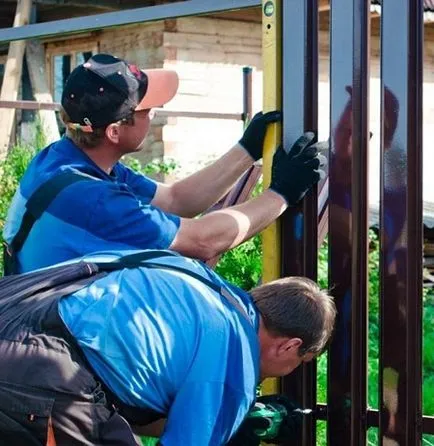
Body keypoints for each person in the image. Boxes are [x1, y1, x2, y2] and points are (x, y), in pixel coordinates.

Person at [2, 53, 327, 274]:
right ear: (115, 131)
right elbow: (201, 241)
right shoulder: (92, 198)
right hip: (58, 346)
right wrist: (282, 194)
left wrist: (246, 149)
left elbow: (176, 200)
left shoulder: (67, 159)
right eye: (146, 110)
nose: (154, 113)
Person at [0, 249, 336, 446]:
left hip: (18, 309)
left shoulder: (191, 274)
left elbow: (125, 390)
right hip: (40, 374)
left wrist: (237, 421)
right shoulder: (234, 360)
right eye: (302, 361)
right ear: (290, 347)